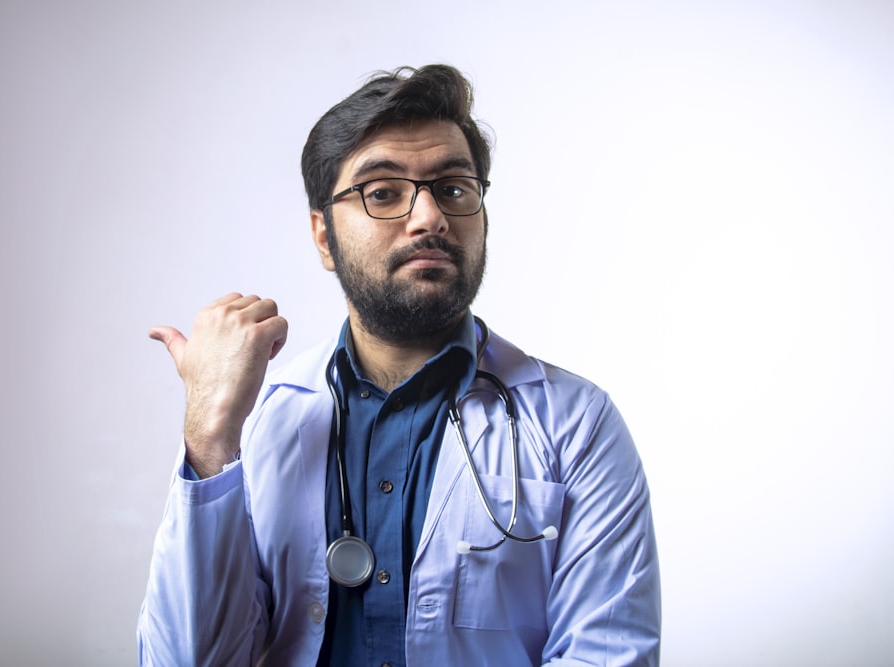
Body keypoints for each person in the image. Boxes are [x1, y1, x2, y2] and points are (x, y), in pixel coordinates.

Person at [138, 64, 660, 666]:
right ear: (325, 238)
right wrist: (210, 432)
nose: (429, 217)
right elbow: (187, 661)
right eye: (382, 192)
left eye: (454, 188)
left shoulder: (577, 423)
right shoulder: (259, 420)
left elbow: (608, 655)